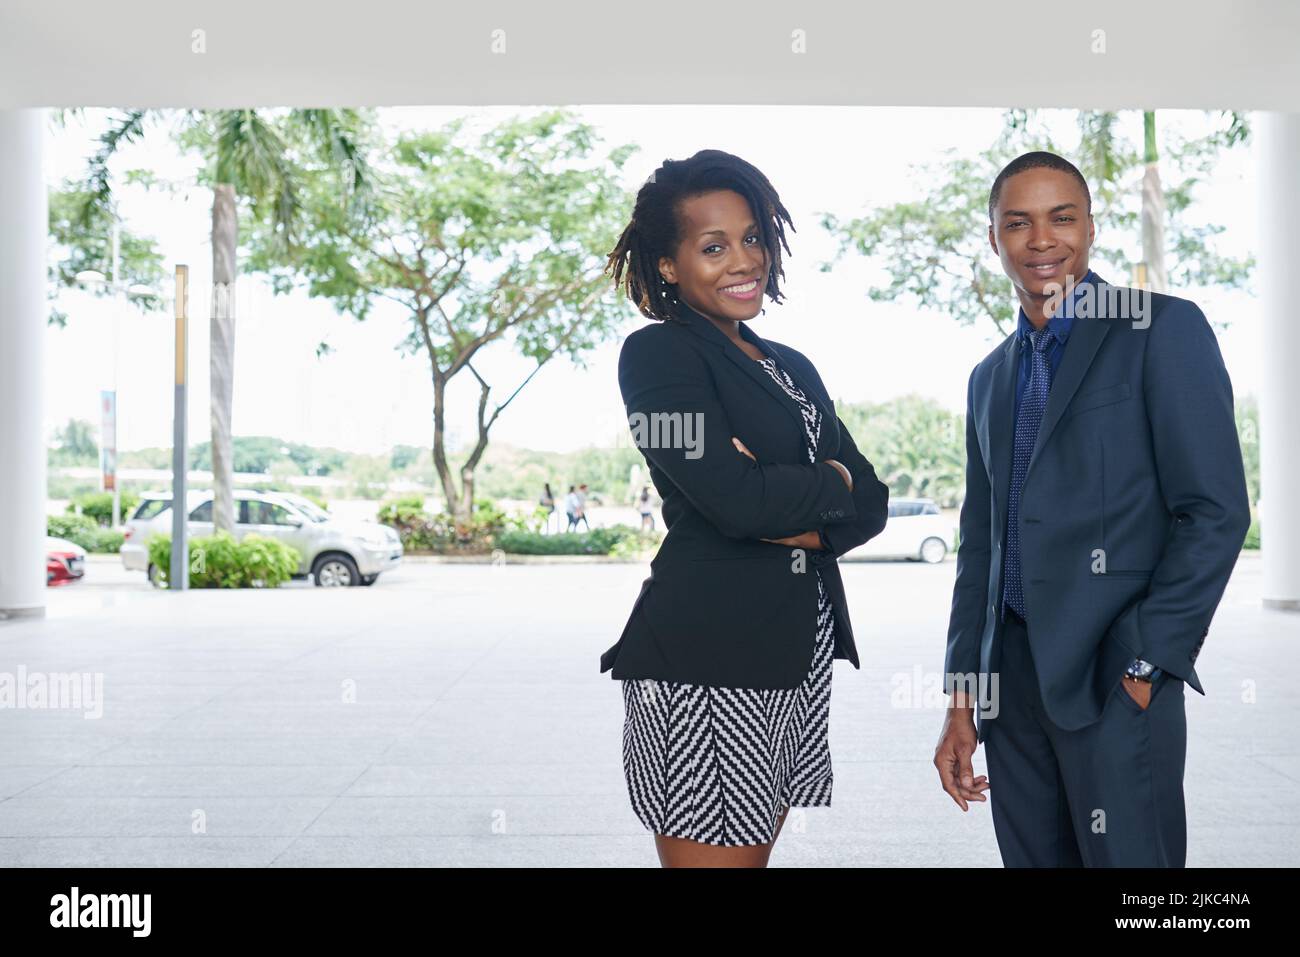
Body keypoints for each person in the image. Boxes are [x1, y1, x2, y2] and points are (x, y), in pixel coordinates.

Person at [933, 150, 1251, 867]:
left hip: (1114, 680)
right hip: (1010, 696)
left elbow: (1215, 510)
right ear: (994, 239)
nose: (1042, 240)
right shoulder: (989, 379)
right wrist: (964, 697)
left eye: (1061, 218)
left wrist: (1146, 662)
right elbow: (981, 552)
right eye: (1018, 223)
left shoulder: (1159, 331)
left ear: (1091, 228)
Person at [600, 149, 889, 867]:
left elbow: (873, 500)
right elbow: (733, 502)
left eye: (753, 237)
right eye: (713, 245)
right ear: (668, 265)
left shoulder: (790, 364)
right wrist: (826, 484)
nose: (743, 259)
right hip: (707, 664)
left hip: (791, 657)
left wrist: (786, 492)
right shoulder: (659, 355)